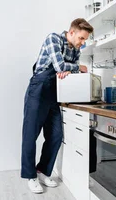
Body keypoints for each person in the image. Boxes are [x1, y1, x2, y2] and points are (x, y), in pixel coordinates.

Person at [21, 18, 92, 193]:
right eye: (81, 38)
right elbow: (61, 66)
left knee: (55, 135)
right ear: (72, 32)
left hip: (55, 93)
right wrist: (76, 67)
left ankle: (43, 171)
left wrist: (71, 68)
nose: (82, 43)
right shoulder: (53, 39)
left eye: (85, 40)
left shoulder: (75, 50)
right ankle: (30, 176)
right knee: (31, 135)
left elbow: (68, 69)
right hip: (38, 89)